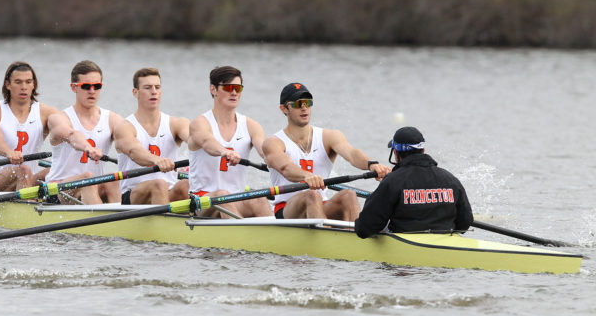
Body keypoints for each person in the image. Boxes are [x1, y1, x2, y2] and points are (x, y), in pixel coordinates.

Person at [264, 82, 391, 221]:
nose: (304, 108)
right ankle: (327, 237)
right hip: (287, 209)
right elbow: (285, 168)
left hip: (320, 206)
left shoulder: (329, 136)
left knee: (349, 194)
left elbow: (352, 154)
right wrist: (306, 176)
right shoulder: (273, 143)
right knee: (311, 195)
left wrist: (372, 165)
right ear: (284, 109)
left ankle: (358, 237)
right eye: (298, 104)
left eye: (307, 102)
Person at [0, 61, 99, 192]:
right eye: (18, 82)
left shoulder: (46, 112)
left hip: (28, 178)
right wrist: (9, 153)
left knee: (57, 172)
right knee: (23, 169)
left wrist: (87, 147)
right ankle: (31, 208)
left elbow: (69, 133)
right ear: (8, 85)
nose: (24, 87)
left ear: (34, 84)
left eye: (28, 82)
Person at [355, 126, 473, 237]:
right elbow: (464, 224)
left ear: (395, 153)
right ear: (423, 150)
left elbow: (364, 228)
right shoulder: (450, 179)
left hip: (404, 244)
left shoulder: (392, 182)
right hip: (445, 242)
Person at [187, 65, 272, 218]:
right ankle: (242, 238)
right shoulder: (200, 123)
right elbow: (207, 142)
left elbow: (265, 151)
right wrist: (225, 151)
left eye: (238, 88)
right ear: (213, 90)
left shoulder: (251, 125)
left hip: (235, 199)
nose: (234, 92)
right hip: (202, 201)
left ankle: (275, 237)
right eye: (228, 87)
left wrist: (279, 161)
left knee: (259, 198)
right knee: (222, 195)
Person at [46, 60, 122, 204]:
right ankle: (107, 223)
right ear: (74, 88)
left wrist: (158, 160)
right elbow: (71, 135)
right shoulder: (59, 118)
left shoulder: (112, 119)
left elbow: (131, 140)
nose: (92, 91)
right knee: (87, 177)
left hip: (93, 187)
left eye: (97, 86)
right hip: (59, 190)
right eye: (86, 86)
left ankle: (123, 220)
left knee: (114, 179)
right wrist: (88, 148)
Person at [113, 67, 190, 204]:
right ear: (135, 92)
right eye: (147, 88)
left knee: (186, 184)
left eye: (157, 87)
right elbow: (134, 152)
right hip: (134, 196)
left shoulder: (176, 123)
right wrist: (156, 160)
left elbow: (195, 140)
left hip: (168, 192)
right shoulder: (125, 127)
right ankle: (168, 223)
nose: (154, 92)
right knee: (159, 184)